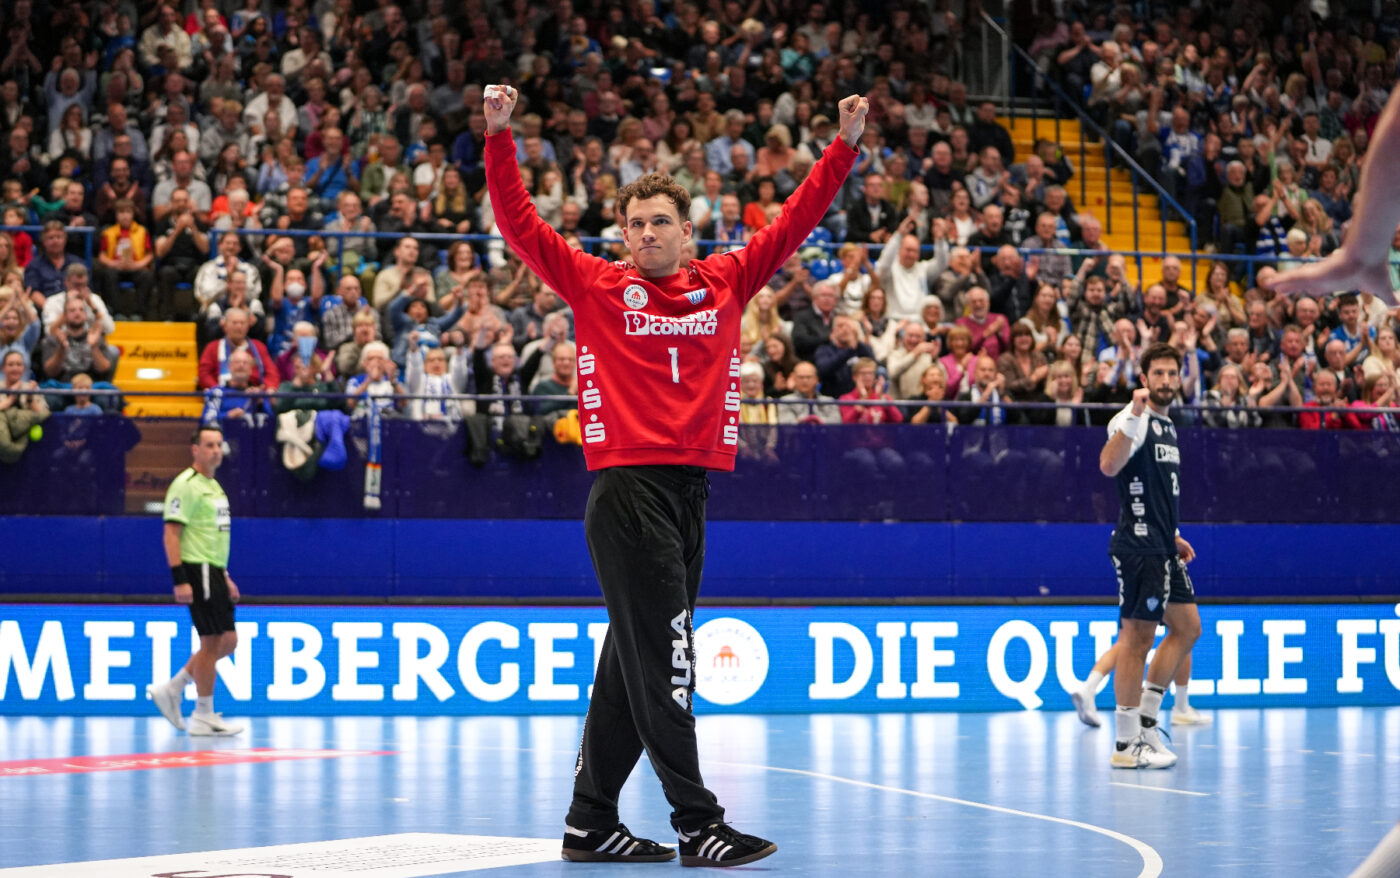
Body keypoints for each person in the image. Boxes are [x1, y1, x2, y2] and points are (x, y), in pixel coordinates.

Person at [484, 82, 866, 868]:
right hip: (628, 493)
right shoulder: (596, 283)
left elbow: (794, 222)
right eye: (635, 224)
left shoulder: (725, 280)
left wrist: (845, 147)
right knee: (669, 664)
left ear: (687, 232)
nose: (647, 233)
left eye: (661, 221)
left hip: (690, 493)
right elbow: (520, 224)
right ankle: (699, 824)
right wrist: (498, 136)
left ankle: (589, 823)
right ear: (623, 235)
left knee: (629, 671)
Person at [1097, 343, 1202, 770]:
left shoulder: (1168, 424)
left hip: (1162, 545)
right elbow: (1109, 465)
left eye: (1171, 373)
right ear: (1143, 379)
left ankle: (1146, 722)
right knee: (1136, 641)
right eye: (1157, 373)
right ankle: (1126, 746)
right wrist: (1135, 414)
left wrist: (1172, 534)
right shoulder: (1131, 418)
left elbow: (1157, 490)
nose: (1165, 380)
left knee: (1188, 627)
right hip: (1138, 548)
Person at [147, 424, 244, 737]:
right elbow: (171, 534)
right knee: (211, 641)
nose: (215, 451)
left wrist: (224, 576)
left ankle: (173, 688)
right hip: (197, 568)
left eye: (218, 445)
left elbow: (213, 537)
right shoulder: (186, 485)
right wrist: (180, 579)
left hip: (214, 570)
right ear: (195, 450)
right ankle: (203, 714)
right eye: (209, 445)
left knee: (227, 640)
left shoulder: (214, 487)